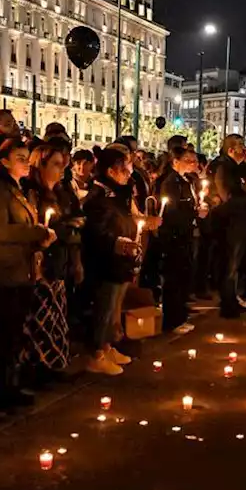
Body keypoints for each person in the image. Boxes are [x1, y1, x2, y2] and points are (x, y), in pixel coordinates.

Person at [0, 136, 56, 409]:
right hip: (4, 271)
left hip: (20, 269)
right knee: (3, 333)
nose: (26, 163)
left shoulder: (17, 188)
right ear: (3, 162)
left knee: (13, 333)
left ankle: (9, 385)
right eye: (20, 158)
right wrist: (36, 233)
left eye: (27, 157)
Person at [21, 139, 81, 382]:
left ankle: (55, 364)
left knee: (56, 317)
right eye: (56, 164)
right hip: (40, 264)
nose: (62, 168)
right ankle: (39, 369)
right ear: (41, 165)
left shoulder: (59, 193)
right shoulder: (32, 193)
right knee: (39, 321)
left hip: (58, 262)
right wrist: (65, 228)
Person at [81, 145, 143, 375]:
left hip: (120, 260)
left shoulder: (117, 194)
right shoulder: (99, 197)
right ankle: (96, 353)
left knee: (114, 307)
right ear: (110, 171)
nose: (129, 174)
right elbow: (95, 231)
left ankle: (107, 346)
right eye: (124, 170)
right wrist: (115, 242)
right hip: (106, 262)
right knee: (104, 308)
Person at [155, 145, 204, 334]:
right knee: (174, 278)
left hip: (185, 235)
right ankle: (172, 320)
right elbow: (172, 211)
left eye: (194, 161)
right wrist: (194, 212)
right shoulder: (171, 183)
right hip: (174, 236)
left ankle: (181, 315)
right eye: (188, 161)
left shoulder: (188, 181)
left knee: (184, 276)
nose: (193, 164)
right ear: (176, 162)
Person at [213, 133, 246, 317]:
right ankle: (227, 303)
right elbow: (229, 196)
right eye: (241, 146)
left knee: (235, 263)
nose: (244, 149)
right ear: (231, 149)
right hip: (230, 223)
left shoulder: (240, 169)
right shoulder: (224, 168)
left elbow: (245, 189)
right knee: (229, 264)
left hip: (241, 222)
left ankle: (232, 297)